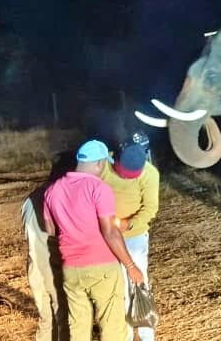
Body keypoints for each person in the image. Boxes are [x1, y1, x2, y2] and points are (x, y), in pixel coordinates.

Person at [44, 140, 145, 341]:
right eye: (104, 164)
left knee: (78, 328)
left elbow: (50, 230)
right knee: (112, 328)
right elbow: (110, 232)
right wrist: (131, 265)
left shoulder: (52, 190)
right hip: (103, 267)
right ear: (99, 163)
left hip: (71, 268)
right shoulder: (99, 188)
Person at [100, 132, 160, 341]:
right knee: (117, 286)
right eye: (123, 174)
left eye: (132, 175)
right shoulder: (102, 166)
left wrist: (130, 223)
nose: (127, 178)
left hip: (134, 236)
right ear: (114, 158)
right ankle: (123, 334)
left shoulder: (150, 173)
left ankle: (145, 334)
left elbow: (151, 208)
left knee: (138, 281)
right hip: (105, 235)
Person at [24, 186, 63, 341]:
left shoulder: (30, 198)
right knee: (62, 319)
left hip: (34, 265)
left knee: (46, 320)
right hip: (52, 267)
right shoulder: (58, 195)